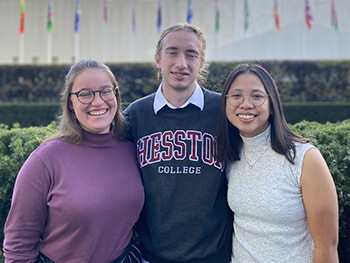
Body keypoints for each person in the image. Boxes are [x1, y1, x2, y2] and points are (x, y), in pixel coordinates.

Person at [3, 59, 145, 263]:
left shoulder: (133, 149)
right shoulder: (45, 161)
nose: (98, 101)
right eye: (85, 94)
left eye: (106, 90)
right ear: (70, 103)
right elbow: (18, 245)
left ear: (116, 95)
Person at [123, 24, 232, 263]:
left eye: (191, 54)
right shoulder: (135, 115)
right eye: (172, 52)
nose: (181, 63)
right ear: (158, 60)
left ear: (201, 63)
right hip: (152, 255)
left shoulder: (225, 110)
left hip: (215, 255)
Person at [216, 63, 339, 263]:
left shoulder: (305, 158)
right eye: (236, 95)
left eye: (257, 96)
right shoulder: (230, 156)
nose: (246, 104)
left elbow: (326, 247)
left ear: (272, 105)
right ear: (225, 103)